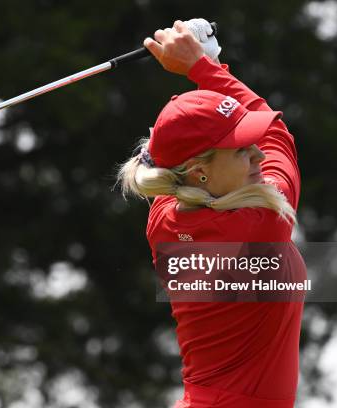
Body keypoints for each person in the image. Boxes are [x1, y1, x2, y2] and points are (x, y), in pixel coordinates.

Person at [116, 19, 306, 408]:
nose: (257, 154)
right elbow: (278, 138)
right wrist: (203, 67)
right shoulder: (260, 223)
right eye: (241, 149)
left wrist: (206, 68)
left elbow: (167, 160)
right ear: (200, 170)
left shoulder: (165, 219)